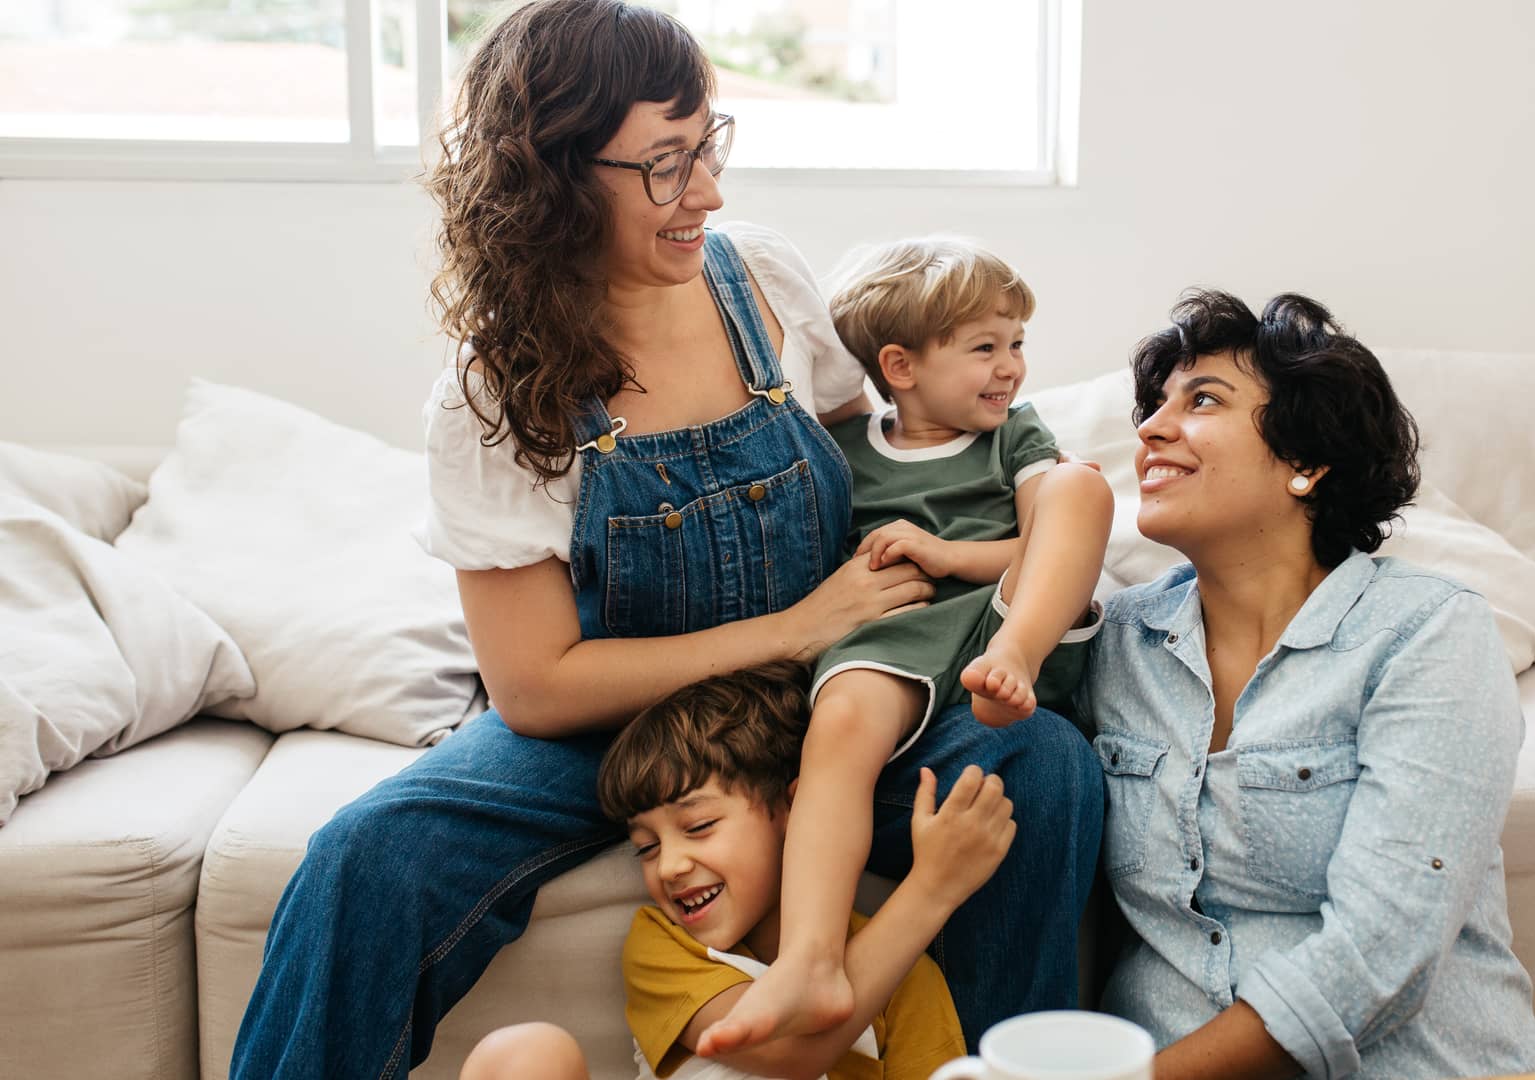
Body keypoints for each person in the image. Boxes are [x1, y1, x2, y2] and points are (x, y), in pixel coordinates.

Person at [226, 4, 1104, 1076]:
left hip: (833, 690)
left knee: (1039, 764)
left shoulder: (765, 286)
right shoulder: (492, 397)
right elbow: (537, 687)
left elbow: (870, 477)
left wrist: (963, 572)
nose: (708, 193)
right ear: (550, 181)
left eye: (708, 147)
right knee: (370, 856)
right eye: (663, 166)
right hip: (619, 722)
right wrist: (785, 628)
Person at [1078, 290, 1535, 1079]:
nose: (1152, 429)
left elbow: (1380, 950)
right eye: (1155, 406)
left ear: (1307, 461)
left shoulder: (1427, 632)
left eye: (1203, 401)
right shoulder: (1117, 641)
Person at [705, 238, 1113, 1053]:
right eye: (985, 348)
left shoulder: (1015, 439)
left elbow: (1048, 540)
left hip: (1005, 620)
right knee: (843, 724)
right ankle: (812, 959)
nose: (1011, 369)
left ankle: (1019, 663)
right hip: (900, 632)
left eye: (1018, 344)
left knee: (1080, 483)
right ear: (899, 365)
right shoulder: (847, 454)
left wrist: (953, 556)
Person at [459, 661, 1010, 1080]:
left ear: (795, 811)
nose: (671, 866)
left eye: (698, 827)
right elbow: (787, 1050)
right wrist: (932, 889)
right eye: (646, 848)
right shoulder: (666, 946)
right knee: (525, 1055)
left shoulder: (902, 972)